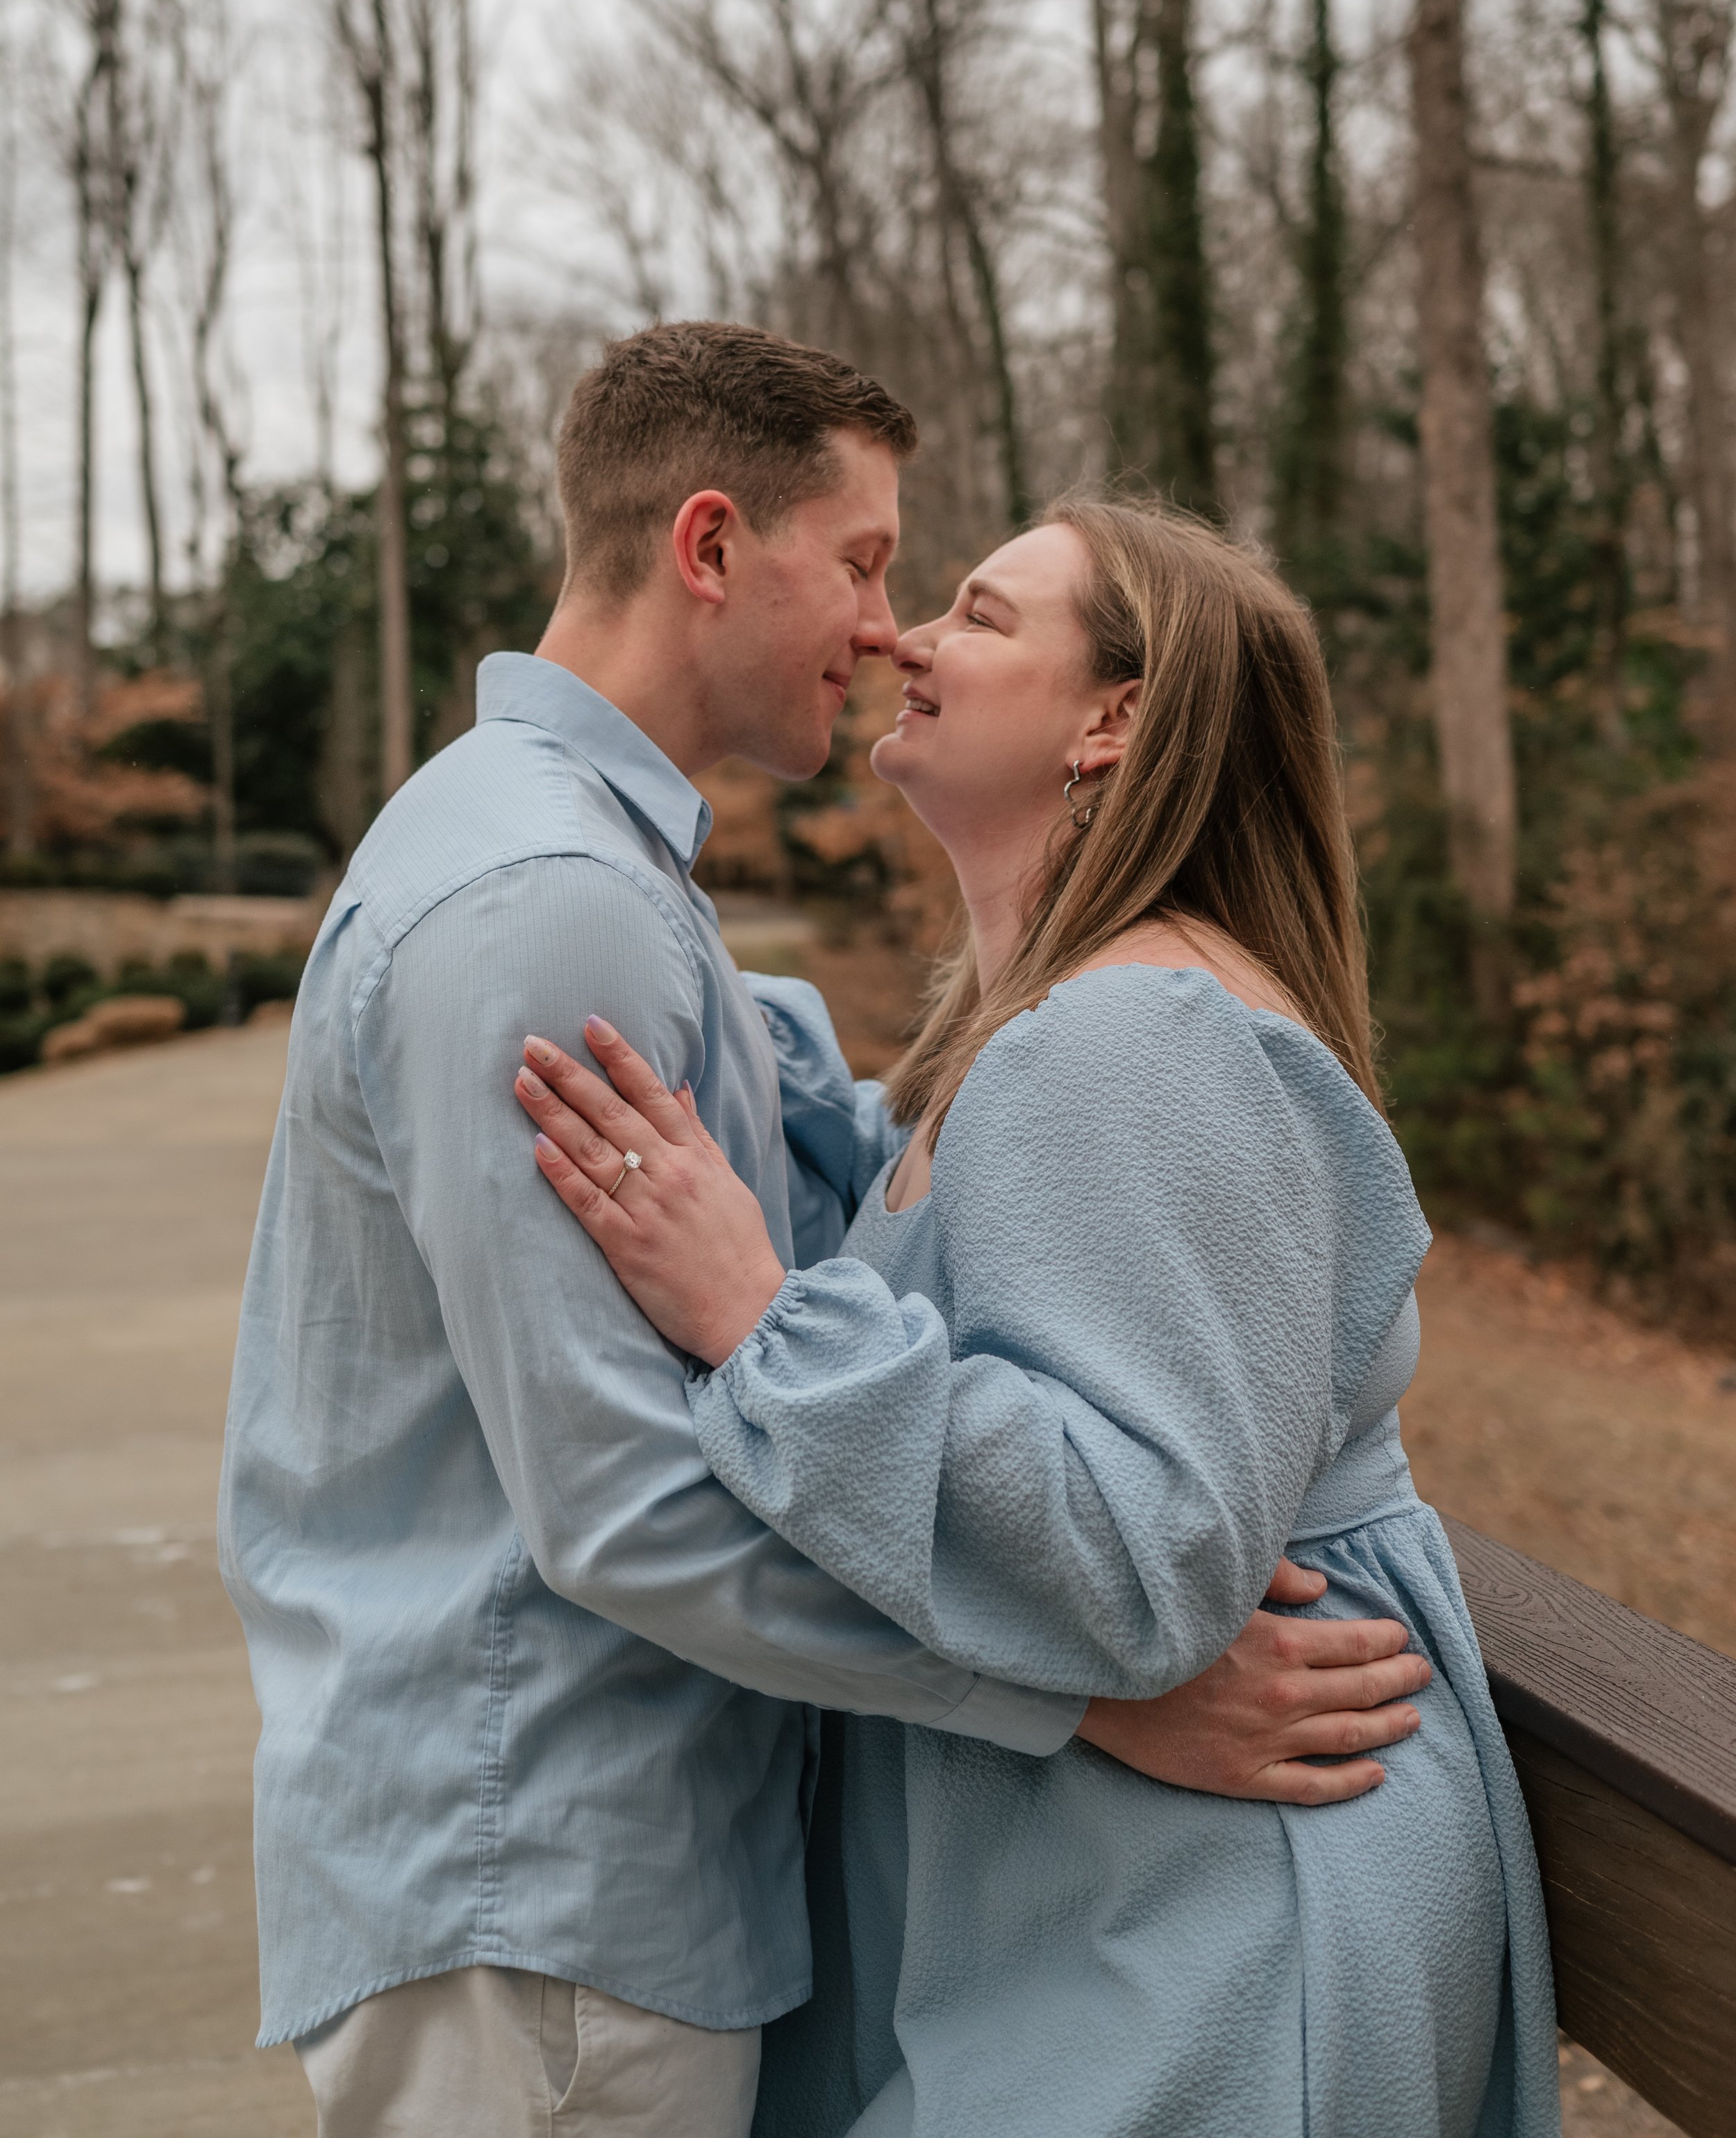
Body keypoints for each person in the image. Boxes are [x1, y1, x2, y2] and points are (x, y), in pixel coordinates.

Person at [219, 324, 1436, 2138]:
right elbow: (622, 1497)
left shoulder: (592, 878)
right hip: (547, 1878)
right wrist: (1076, 1702)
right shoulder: (549, 900)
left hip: (596, 1881)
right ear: (711, 547)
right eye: (867, 565)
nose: (886, 628)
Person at [515, 493, 1561, 2138]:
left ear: (1113, 719)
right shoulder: (1048, 1031)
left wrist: (762, 1322)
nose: (905, 639)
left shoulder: (1135, 1038)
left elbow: (1144, 1553)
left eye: (983, 616)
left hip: (1203, 1925)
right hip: (1107, 1892)